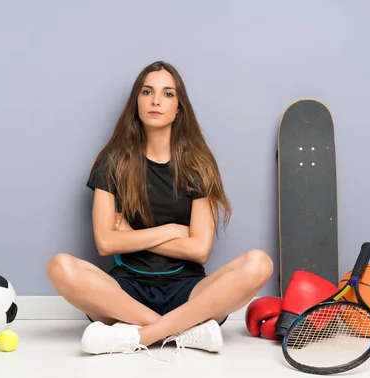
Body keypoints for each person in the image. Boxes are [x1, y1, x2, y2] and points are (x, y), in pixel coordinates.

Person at [46, 61, 273, 356]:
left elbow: (199, 250)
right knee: (59, 266)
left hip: (189, 292)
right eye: (147, 91)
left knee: (259, 262)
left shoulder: (198, 165)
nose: (156, 100)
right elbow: (105, 243)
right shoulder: (112, 162)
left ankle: (143, 335)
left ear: (179, 108)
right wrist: (170, 231)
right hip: (125, 293)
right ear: (136, 102)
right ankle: (184, 332)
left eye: (167, 94)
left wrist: (132, 236)